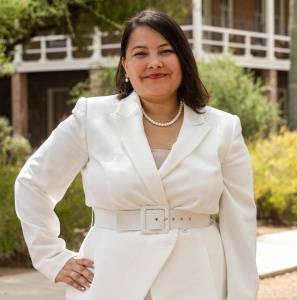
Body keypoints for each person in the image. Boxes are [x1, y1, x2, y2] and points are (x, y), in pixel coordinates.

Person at [15, 9, 259, 300]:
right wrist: (52, 257)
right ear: (125, 65)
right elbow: (33, 183)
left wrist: (243, 295)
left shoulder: (223, 127)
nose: (154, 62)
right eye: (140, 53)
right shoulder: (92, 117)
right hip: (109, 279)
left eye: (165, 51)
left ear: (183, 59)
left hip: (198, 281)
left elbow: (240, 223)